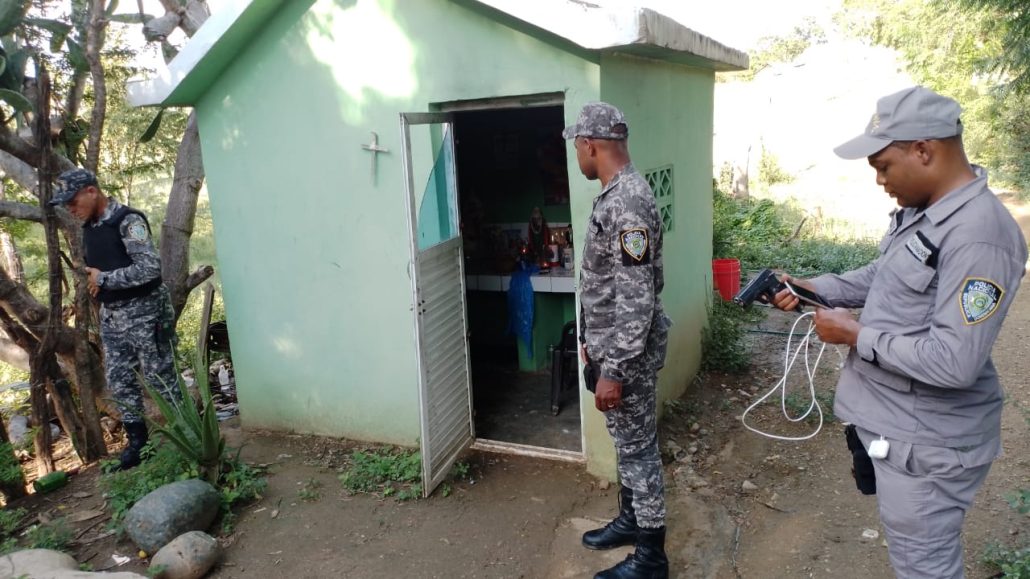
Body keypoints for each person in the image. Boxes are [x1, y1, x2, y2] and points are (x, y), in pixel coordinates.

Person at [770, 86, 1027, 578]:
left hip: (929, 442)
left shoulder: (979, 235)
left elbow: (954, 361)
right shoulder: (925, 214)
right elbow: (882, 276)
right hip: (901, 429)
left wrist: (854, 334)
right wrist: (812, 287)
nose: (880, 181)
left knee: (925, 568)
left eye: (884, 166)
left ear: (924, 150)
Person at [563, 102, 672, 579]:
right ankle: (631, 519)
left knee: (638, 450)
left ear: (590, 145)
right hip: (612, 349)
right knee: (629, 445)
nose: (577, 155)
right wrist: (593, 345)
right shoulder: (615, 194)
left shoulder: (627, 201)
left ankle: (651, 559)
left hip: (625, 358)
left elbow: (636, 296)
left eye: (576, 147)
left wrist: (615, 371)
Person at [50, 168, 181, 471]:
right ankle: (138, 442)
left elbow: (149, 269)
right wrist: (96, 281)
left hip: (146, 314)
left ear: (91, 191)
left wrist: (105, 278)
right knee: (120, 381)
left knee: (162, 379)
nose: (70, 208)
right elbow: (99, 266)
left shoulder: (128, 220)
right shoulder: (91, 226)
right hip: (113, 318)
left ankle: (186, 435)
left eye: (72, 201)